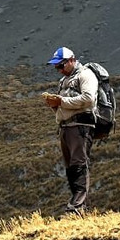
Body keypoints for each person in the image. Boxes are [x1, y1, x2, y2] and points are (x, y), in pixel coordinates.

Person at [43, 46, 97, 216]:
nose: (58, 70)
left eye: (61, 66)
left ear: (72, 60)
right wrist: (55, 105)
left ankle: (76, 206)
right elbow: (64, 104)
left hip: (80, 126)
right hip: (66, 127)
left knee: (79, 164)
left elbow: (89, 99)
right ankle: (78, 206)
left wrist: (61, 102)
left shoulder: (85, 75)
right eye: (56, 67)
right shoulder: (64, 81)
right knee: (71, 168)